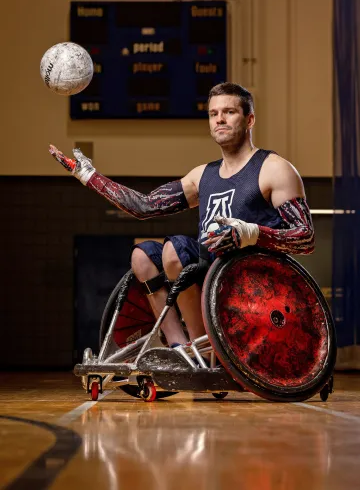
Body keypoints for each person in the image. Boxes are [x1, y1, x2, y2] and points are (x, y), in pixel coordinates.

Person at [49, 82, 314, 348]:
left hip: (251, 278)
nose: (220, 119)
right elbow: (144, 206)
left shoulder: (275, 169)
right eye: (213, 113)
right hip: (207, 271)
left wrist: (251, 234)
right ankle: (181, 346)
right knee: (142, 256)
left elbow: (305, 237)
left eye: (229, 112)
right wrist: (89, 176)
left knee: (174, 251)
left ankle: (203, 346)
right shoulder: (202, 176)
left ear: (250, 119)